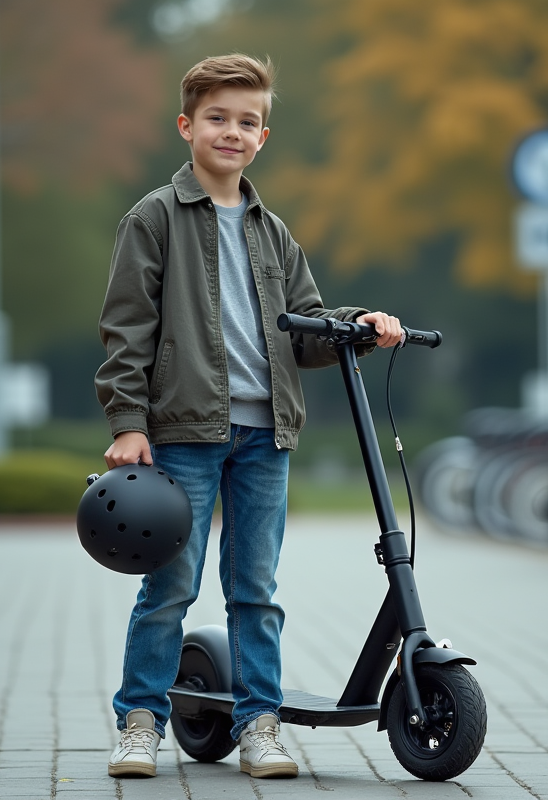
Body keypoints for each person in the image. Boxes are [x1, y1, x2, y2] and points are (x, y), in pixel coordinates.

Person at [94, 53, 403, 780]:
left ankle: (259, 723)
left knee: (255, 589)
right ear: (187, 125)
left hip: (268, 434)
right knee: (171, 583)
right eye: (217, 118)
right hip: (184, 432)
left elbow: (307, 327)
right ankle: (140, 721)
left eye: (247, 122)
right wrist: (127, 424)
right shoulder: (154, 218)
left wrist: (360, 322)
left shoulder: (273, 231)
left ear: (263, 136)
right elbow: (126, 328)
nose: (232, 132)